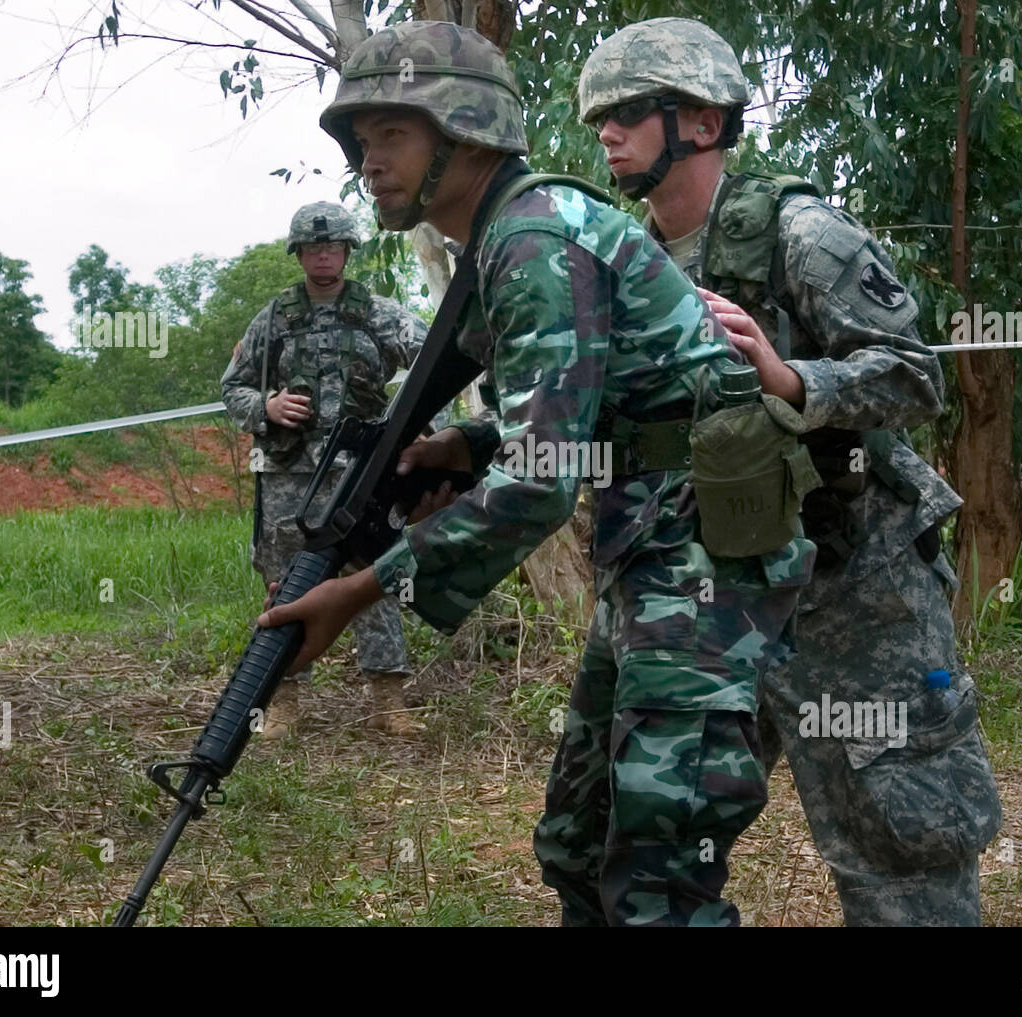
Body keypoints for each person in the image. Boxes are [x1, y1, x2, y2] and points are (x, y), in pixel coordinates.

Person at [256, 20, 815, 926]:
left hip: (710, 558)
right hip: (655, 543)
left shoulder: (532, 241)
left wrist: (364, 589)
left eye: (391, 135)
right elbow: (588, 403)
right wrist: (464, 446)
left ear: (465, 130)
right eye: (361, 143)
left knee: (658, 872)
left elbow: (542, 482)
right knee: (579, 841)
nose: (369, 162)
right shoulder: (509, 237)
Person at [577, 17, 1003, 926]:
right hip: (706, 589)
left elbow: (916, 376)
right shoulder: (624, 260)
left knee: (901, 836)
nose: (603, 135)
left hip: (851, 586)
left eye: (623, 114)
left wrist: (790, 376)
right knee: (644, 829)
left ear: (697, 121)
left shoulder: (802, 232)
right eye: (597, 120)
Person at [221, 202, 428, 738]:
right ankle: (283, 700)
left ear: (347, 251)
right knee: (285, 587)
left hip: (361, 472)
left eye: (332, 246)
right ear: (299, 255)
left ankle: (388, 700)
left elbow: (431, 362)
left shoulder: (378, 312)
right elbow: (233, 386)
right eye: (313, 248)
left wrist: (422, 429)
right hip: (291, 474)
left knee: (372, 576)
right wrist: (265, 407)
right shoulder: (273, 317)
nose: (323, 256)